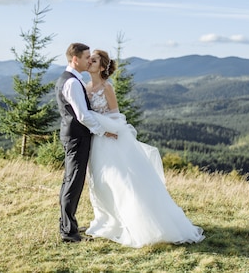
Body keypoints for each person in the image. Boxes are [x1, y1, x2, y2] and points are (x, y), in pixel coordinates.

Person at [84, 49, 206, 248]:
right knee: (100, 181)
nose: (89, 62)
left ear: (102, 66)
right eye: (89, 59)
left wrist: (104, 128)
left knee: (122, 182)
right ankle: (108, 220)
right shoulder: (85, 86)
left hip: (111, 139)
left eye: (94, 60)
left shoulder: (107, 87)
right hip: (96, 141)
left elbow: (115, 115)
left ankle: (138, 223)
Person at [56, 43, 118, 243]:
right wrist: (103, 131)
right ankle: (69, 232)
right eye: (86, 57)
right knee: (73, 182)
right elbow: (82, 115)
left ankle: (68, 224)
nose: (88, 60)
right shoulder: (73, 83)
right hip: (77, 137)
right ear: (75, 59)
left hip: (74, 136)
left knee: (70, 181)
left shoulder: (72, 80)